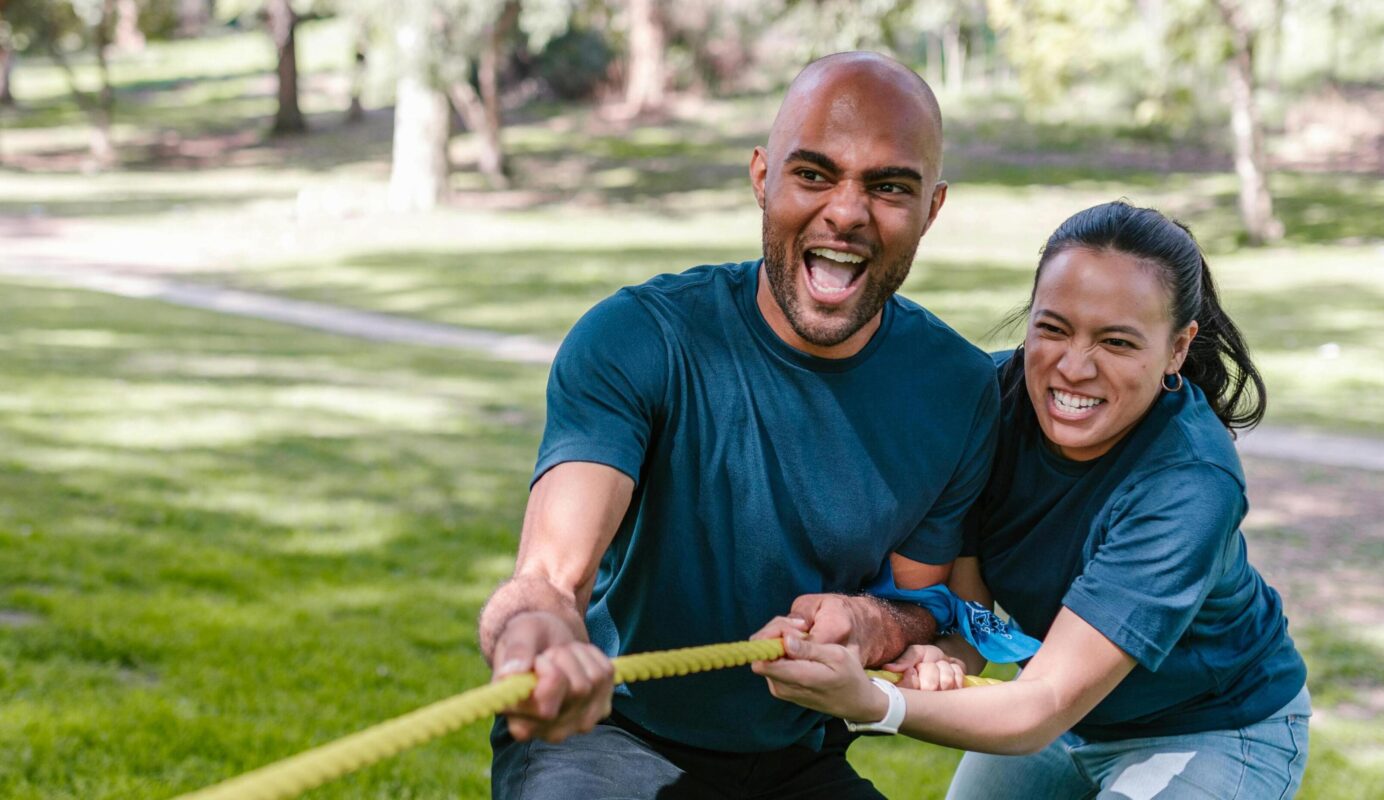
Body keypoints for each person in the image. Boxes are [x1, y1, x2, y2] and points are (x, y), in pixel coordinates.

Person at [475, 52, 1003, 799]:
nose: (847, 213)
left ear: (933, 209)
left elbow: (927, 609)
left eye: (888, 187)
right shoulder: (638, 338)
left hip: (794, 759)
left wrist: (866, 623)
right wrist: (537, 634)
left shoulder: (960, 388)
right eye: (813, 175)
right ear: (763, 178)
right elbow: (549, 575)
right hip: (608, 737)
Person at [755, 201, 1311, 799]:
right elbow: (974, 617)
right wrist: (940, 656)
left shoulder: (1191, 484)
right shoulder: (987, 407)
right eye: (1052, 328)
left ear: (1178, 348)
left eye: (1118, 342)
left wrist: (874, 701)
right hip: (1059, 710)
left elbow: (1041, 705)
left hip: (1210, 726)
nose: (1074, 367)